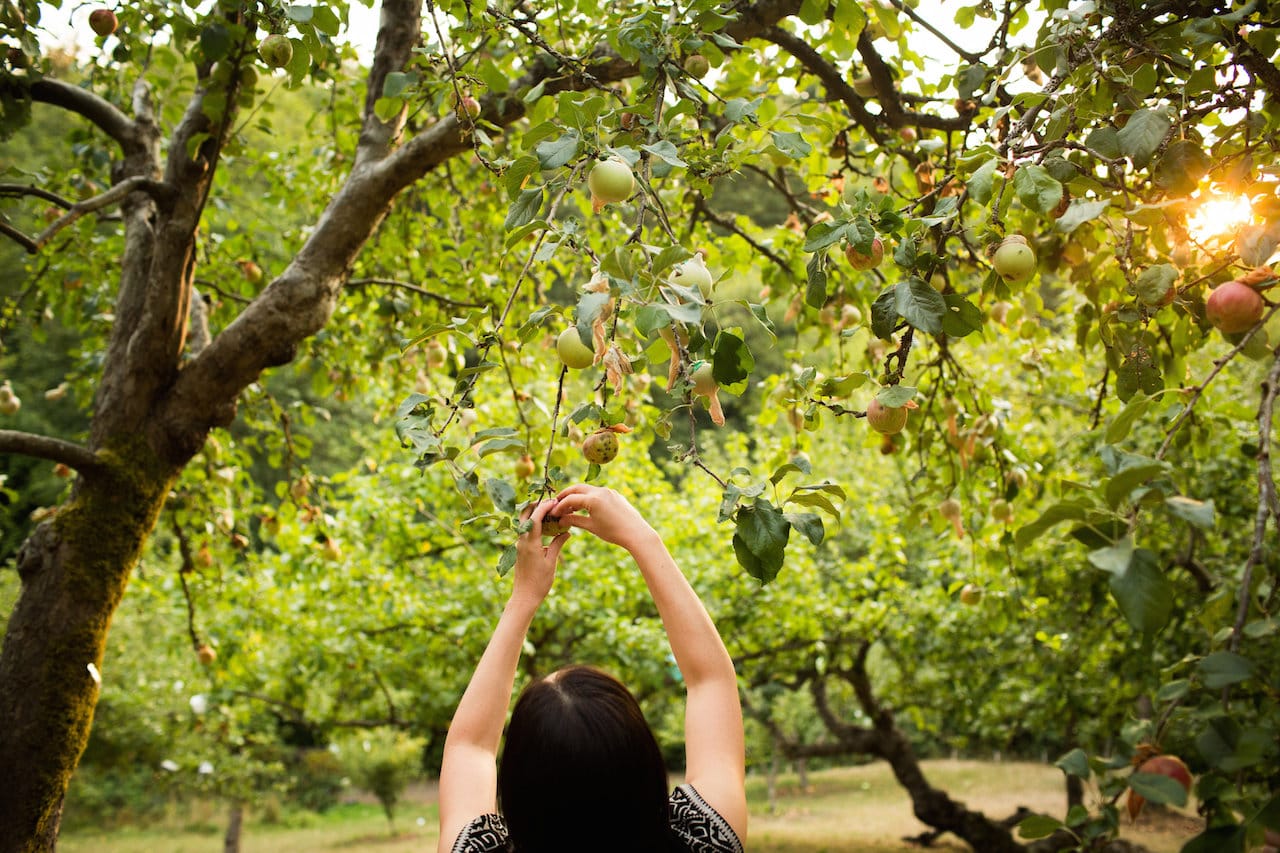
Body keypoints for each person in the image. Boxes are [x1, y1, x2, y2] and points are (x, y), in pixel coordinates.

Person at [437, 484, 746, 853]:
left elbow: (469, 747)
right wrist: (641, 538)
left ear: (517, 783)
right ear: (644, 764)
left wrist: (524, 596)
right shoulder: (706, 840)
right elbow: (710, 680)